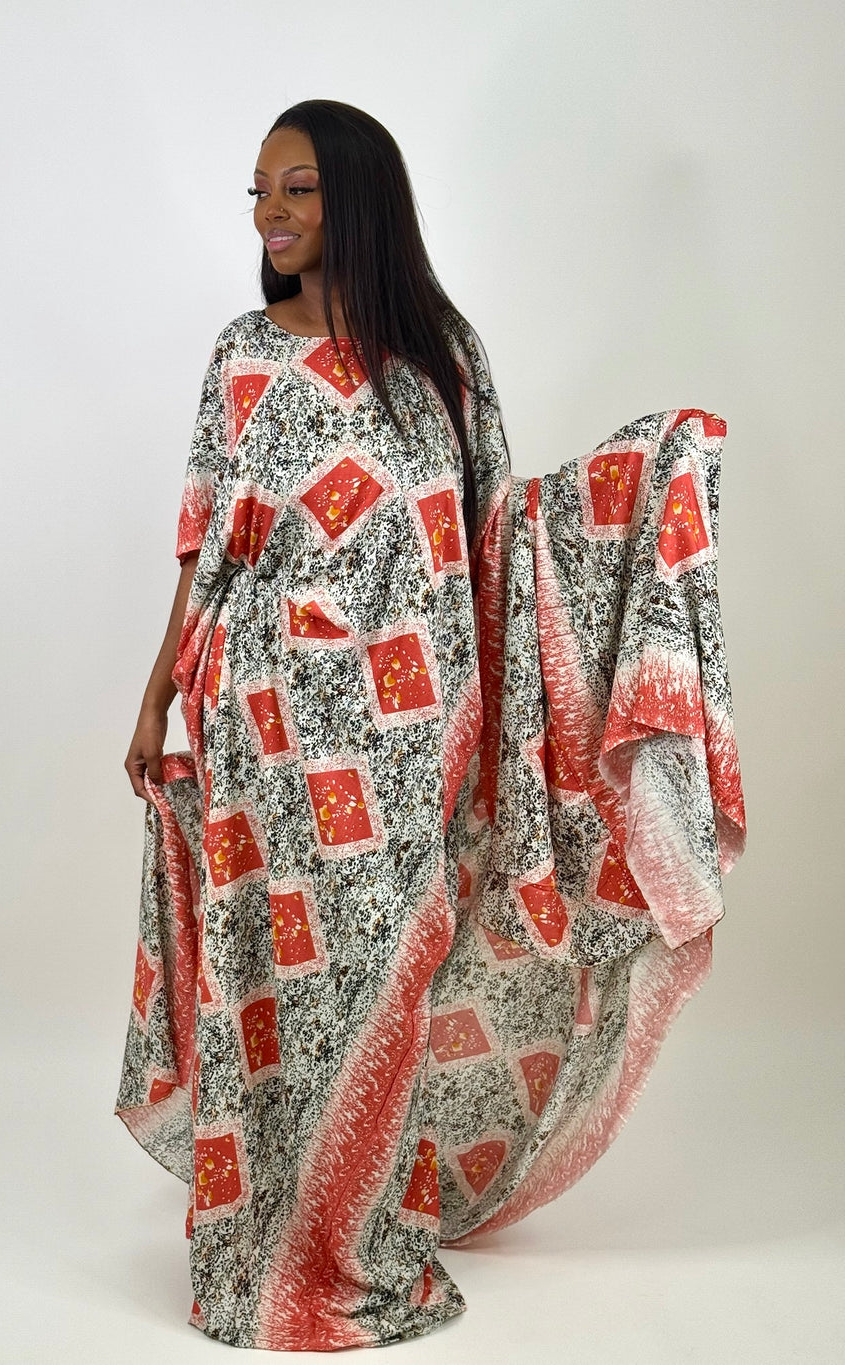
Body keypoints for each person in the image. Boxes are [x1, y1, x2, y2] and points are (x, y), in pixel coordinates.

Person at [116, 99, 746, 1351]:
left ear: (358, 196)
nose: (271, 213)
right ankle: (258, 1247)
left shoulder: (441, 358)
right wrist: (156, 694)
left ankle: (359, 1244)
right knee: (266, 981)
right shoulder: (242, 358)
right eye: (258, 191)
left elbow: (497, 537)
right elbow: (206, 546)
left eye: (297, 187)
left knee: (383, 976)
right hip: (262, 723)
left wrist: (637, 484)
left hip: (408, 739)